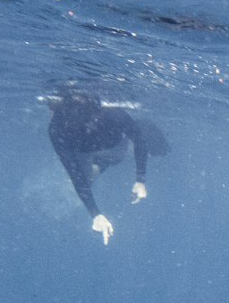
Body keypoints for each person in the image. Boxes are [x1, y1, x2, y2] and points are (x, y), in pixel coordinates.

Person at [46, 89, 169, 245]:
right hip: (86, 148)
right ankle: (100, 164)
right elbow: (75, 173)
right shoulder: (57, 129)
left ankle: (101, 163)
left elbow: (138, 139)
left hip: (112, 144)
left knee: (143, 151)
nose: (90, 124)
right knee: (87, 177)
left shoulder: (114, 115)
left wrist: (140, 180)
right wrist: (95, 214)